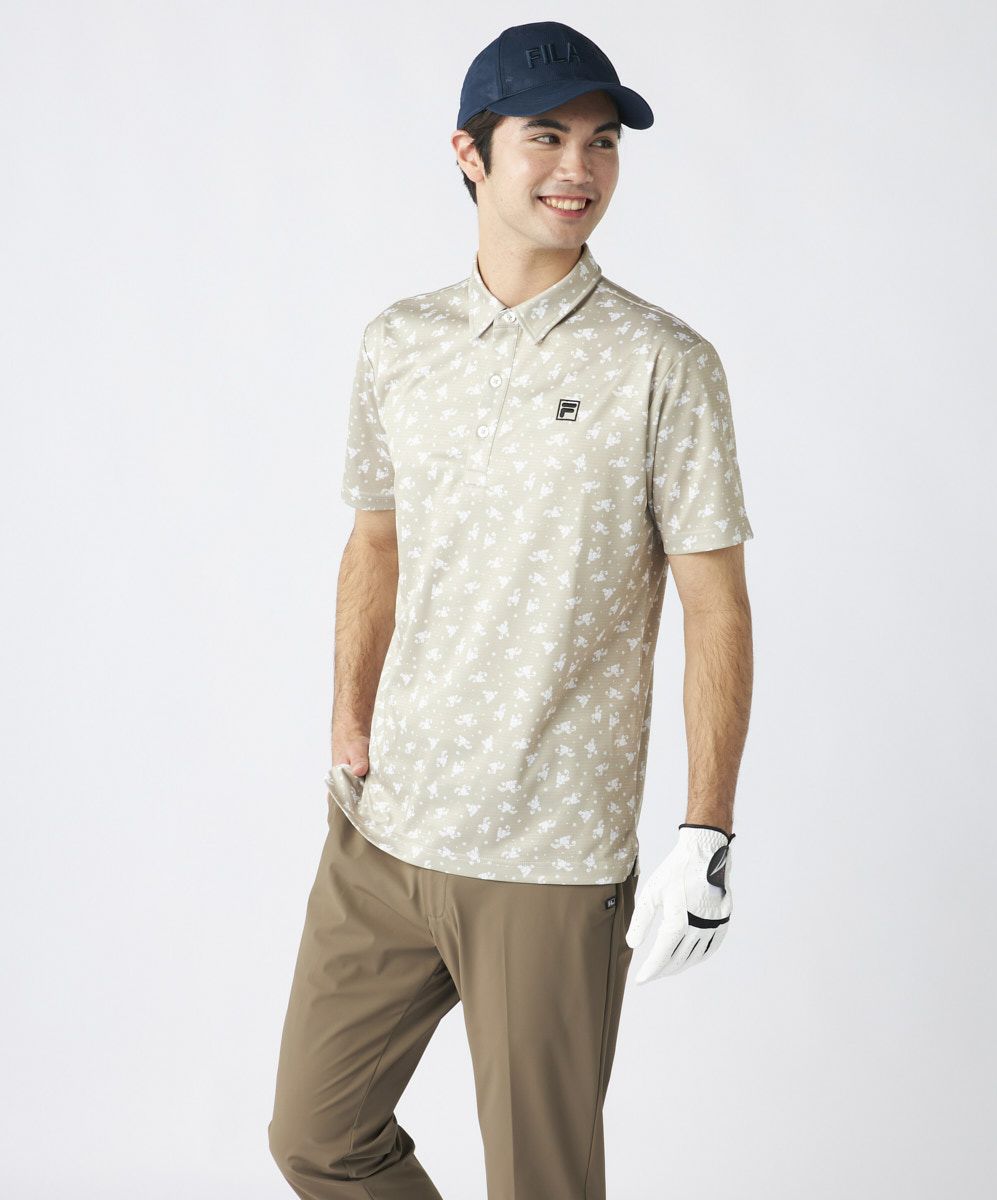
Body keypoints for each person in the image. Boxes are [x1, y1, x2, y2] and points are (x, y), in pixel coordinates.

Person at [268, 19, 754, 1199]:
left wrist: (706, 831)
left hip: (548, 854)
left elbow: (716, 607)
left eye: (602, 141)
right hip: (386, 835)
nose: (578, 168)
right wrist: (349, 720)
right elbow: (374, 541)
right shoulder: (400, 342)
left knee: (542, 1183)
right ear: (469, 154)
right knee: (317, 1137)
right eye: (545, 137)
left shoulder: (662, 361)